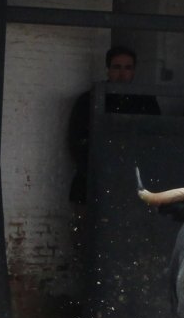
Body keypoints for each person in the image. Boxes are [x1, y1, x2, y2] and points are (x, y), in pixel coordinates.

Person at [68, 45, 161, 203]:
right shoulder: (89, 100)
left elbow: (155, 139)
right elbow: (77, 140)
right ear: (108, 69)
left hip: (133, 181)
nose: (122, 73)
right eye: (117, 67)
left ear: (134, 71)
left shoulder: (146, 101)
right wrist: (95, 168)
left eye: (127, 68)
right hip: (95, 178)